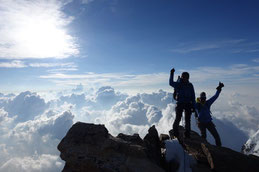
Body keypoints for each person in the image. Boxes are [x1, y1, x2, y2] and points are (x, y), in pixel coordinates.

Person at [169, 68, 196, 138]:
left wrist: (194, 106)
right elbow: (171, 83)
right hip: (181, 103)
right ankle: (176, 133)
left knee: (187, 120)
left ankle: (187, 134)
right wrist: (171, 74)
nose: (184, 78)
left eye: (185, 77)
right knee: (178, 118)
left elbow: (193, 96)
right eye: (183, 77)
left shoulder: (190, 85)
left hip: (187, 104)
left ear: (188, 78)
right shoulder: (179, 84)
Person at [196, 82, 224, 146]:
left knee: (216, 136)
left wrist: (219, 89)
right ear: (200, 99)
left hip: (208, 122)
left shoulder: (207, 103)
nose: (203, 99)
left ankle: (219, 150)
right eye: (202, 98)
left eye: (204, 98)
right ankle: (204, 149)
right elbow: (192, 105)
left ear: (205, 98)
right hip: (201, 123)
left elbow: (215, 96)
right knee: (204, 136)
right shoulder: (198, 105)